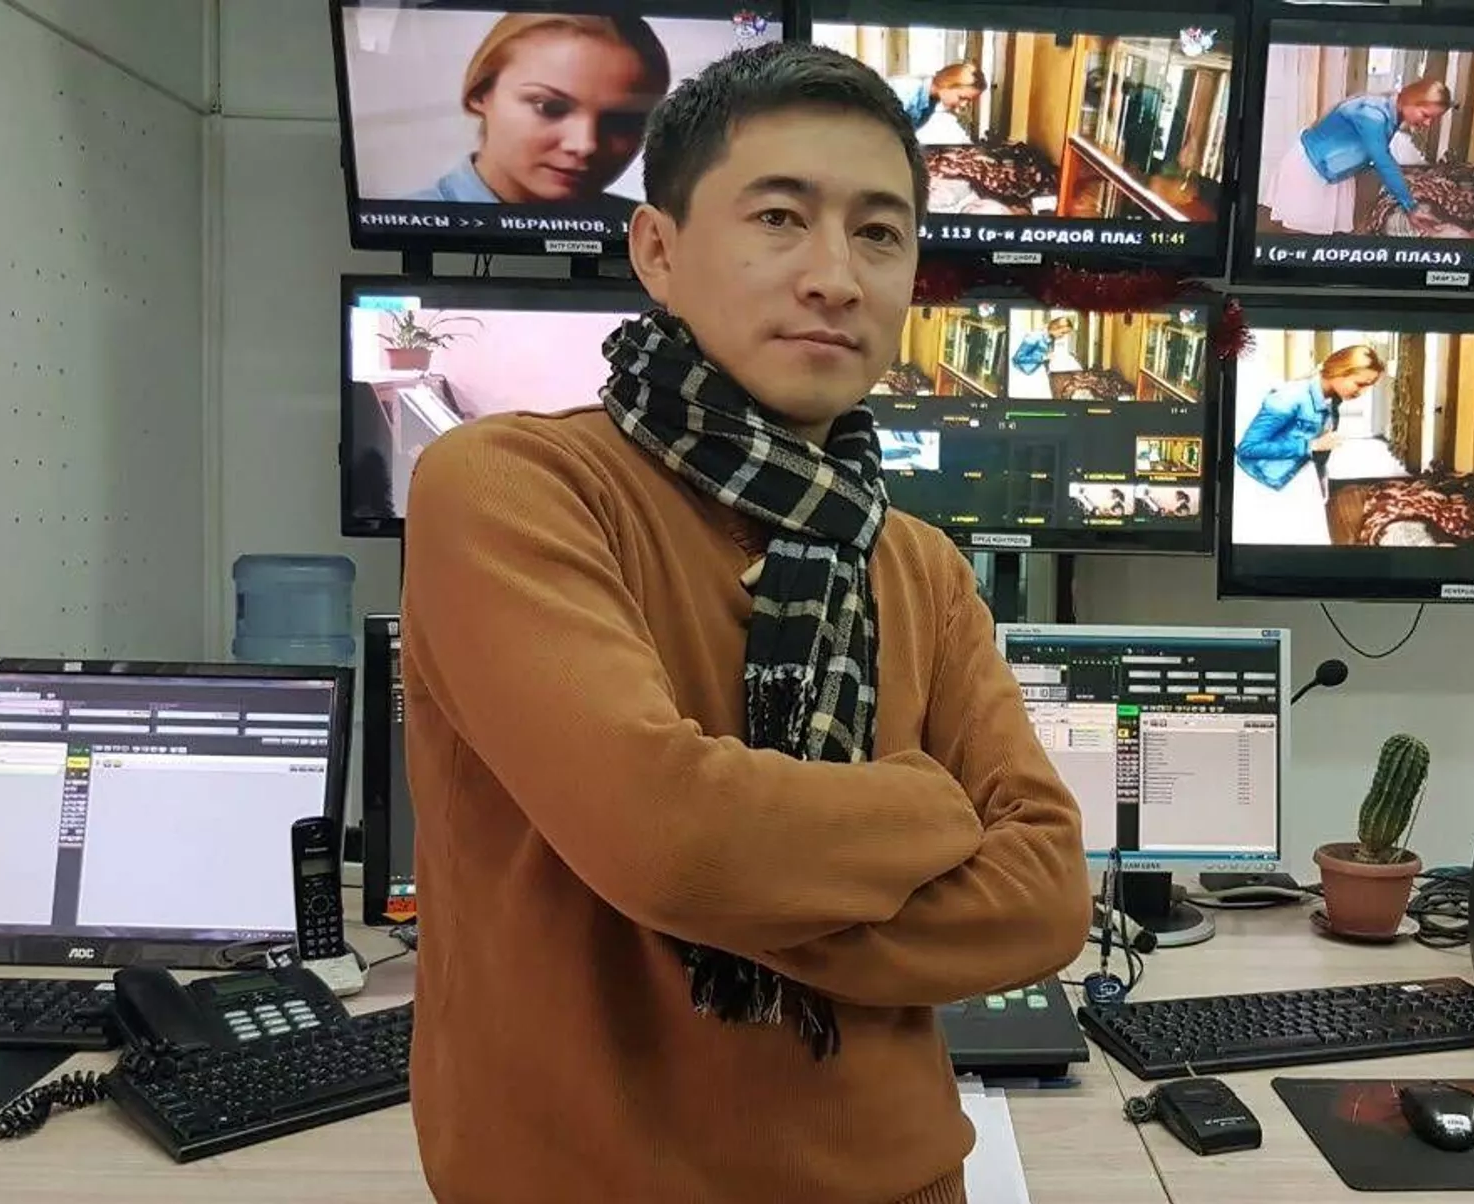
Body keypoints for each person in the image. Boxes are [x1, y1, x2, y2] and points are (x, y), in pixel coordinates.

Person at [400, 40, 1090, 1204]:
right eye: (780, 218)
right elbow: (676, 841)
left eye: (880, 233)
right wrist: (927, 806)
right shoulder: (513, 488)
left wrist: (744, 879)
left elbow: (1046, 895)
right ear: (657, 251)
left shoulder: (917, 564)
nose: (836, 276)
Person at [408, 14, 671, 209]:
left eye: (622, 122)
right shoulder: (406, 226)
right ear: (479, 93)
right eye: (549, 107)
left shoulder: (653, 238)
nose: (585, 145)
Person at [1233, 344, 1386, 545]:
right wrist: (1309, 445)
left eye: (1368, 386)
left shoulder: (1332, 400)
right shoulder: (1290, 397)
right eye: (1360, 384)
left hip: (1299, 480)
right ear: (1340, 371)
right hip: (1268, 487)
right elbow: (1247, 448)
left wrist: (1320, 479)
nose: (1362, 392)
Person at [1265, 78, 1454, 236]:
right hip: (1310, 167)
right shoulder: (1372, 114)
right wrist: (1410, 206)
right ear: (1411, 100)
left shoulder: (1392, 110)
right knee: (1299, 233)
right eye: (1425, 115)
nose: (1428, 124)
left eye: (1432, 119)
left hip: (1334, 170)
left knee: (1324, 235)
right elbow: (1383, 160)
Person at [890, 61, 987, 132]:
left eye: (968, 101)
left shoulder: (931, 101)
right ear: (947, 83)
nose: (963, 105)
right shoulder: (905, 91)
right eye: (962, 97)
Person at [1008, 314, 1079, 398]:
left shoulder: (1050, 339)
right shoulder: (1034, 336)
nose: (1062, 336)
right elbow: (1018, 358)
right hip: (1028, 377)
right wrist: (1043, 357)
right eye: (1062, 332)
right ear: (1055, 327)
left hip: (1041, 376)